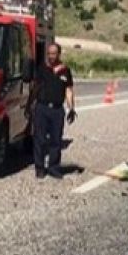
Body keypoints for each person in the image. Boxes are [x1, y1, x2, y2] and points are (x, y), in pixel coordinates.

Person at [32, 43, 75, 179]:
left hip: (57, 110)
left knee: (56, 140)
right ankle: (39, 168)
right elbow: (35, 88)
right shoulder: (42, 69)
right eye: (49, 53)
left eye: (54, 53)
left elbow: (68, 90)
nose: (51, 56)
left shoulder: (65, 71)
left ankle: (53, 167)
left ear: (59, 54)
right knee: (40, 139)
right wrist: (30, 105)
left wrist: (71, 108)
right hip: (42, 108)